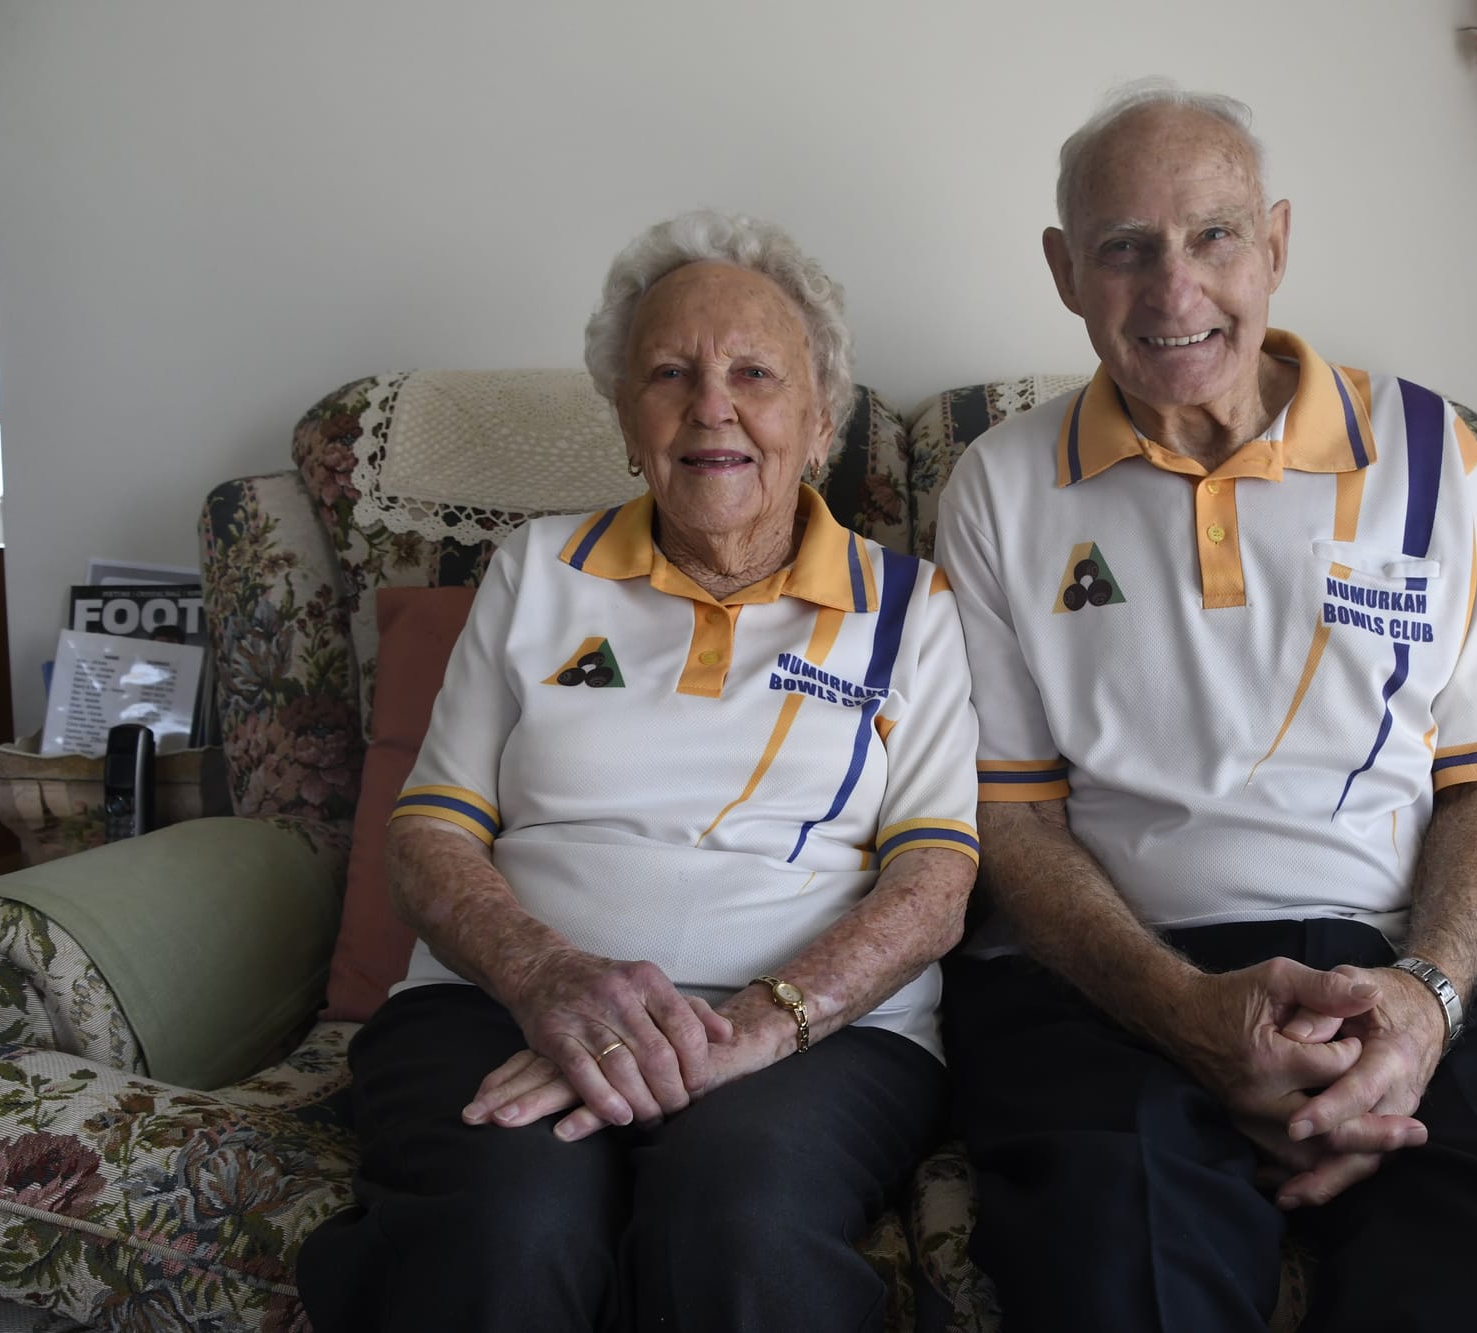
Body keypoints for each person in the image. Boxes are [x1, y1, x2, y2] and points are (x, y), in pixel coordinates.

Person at [931, 83, 1477, 1332]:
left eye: (1211, 236)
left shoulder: (1432, 455)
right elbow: (1014, 827)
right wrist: (1183, 1015)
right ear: (1062, 270)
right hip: (1113, 988)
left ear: (1275, 240)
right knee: (1123, 1265)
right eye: (1123, 247)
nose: (1172, 290)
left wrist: (1423, 1004)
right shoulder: (997, 486)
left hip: (1403, 961)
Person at [295, 211, 980, 1333]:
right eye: (670, 372)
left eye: (754, 372)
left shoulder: (911, 610)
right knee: (503, 1227)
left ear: (820, 421)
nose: (713, 405)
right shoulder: (537, 569)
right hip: (498, 1002)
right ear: (626, 417)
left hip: (810, 1036)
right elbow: (428, 836)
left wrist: (760, 1024)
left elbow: (934, 884)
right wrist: (550, 984)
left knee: (740, 1222)